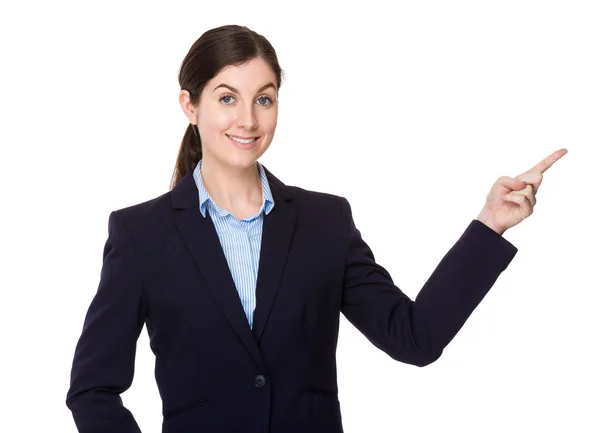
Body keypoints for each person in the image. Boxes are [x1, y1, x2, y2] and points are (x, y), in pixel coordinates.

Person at [65, 24, 568, 433]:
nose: (247, 119)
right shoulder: (141, 234)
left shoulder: (325, 222)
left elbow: (413, 338)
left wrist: (489, 226)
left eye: (264, 98)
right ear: (189, 105)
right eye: (226, 98)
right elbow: (92, 390)